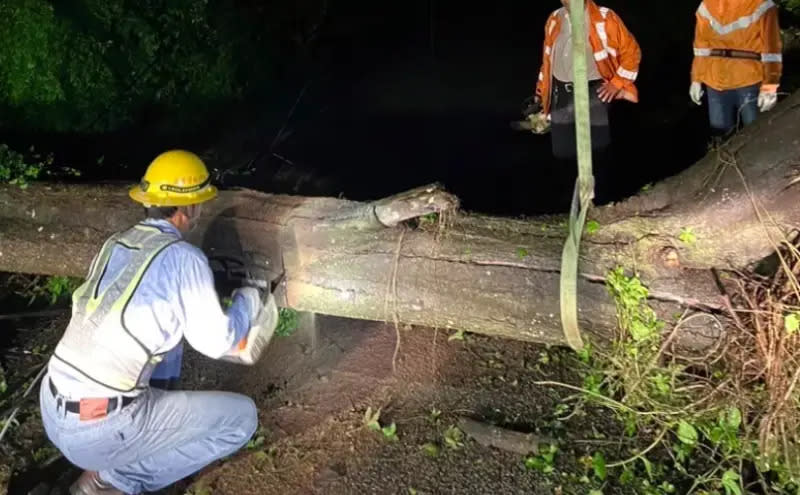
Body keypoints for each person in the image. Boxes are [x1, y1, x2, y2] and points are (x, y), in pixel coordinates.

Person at [39, 150, 265, 495]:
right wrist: (249, 301)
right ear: (190, 209)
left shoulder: (115, 244)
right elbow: (218, 343)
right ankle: (110, 480)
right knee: (241, 419)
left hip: (53, 411)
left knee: (167, 343)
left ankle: (119, 453)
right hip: (98, 430)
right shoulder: (183, 257)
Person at [532, 0, 641, 161]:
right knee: (562, 151)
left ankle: (599, 183)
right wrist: (540, 94)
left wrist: (616, 84)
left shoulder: (604, 18)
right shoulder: (554, 19)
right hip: (561, 91)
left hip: (594, 90)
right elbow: (547, 62)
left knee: (596, 149)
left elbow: (632, 53)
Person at [690, 0, 783, 136]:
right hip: (717, 81)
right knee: (722, 139)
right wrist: (696, 79)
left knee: (756, 136)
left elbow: (771, 50)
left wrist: (770, 86)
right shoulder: (707, 5)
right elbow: (701, 48)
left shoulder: (762, 5)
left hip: (748, 81)